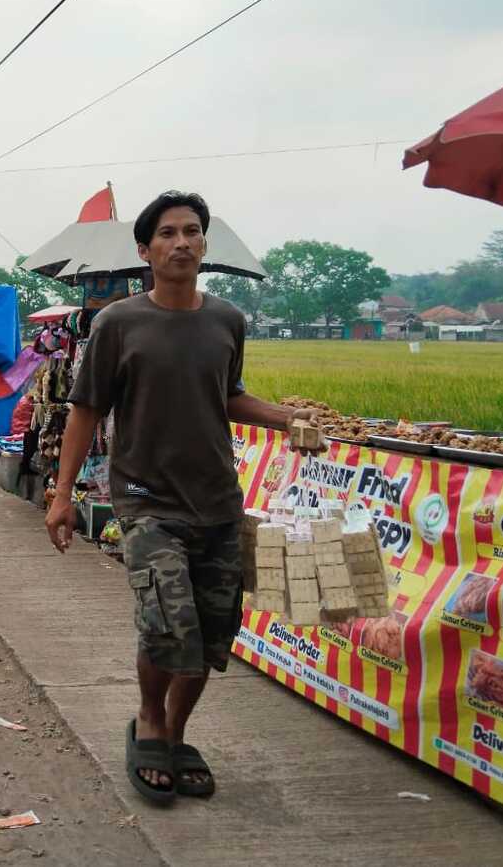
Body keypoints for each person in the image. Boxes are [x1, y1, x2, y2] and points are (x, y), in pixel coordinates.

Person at [44, 190, 321, 805]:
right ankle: (148, 717)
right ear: (145, 250)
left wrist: (287, 418)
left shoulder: (226, 320)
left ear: (205, 243)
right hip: (146, 500)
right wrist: (62, 496)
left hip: (218, 500)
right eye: (167, 234)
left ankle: (175, 731)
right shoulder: (117, 324)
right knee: (170, 623)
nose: (182, 243)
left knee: (214, 635)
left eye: (192, 231)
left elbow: (229, 396)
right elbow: (86, 410)